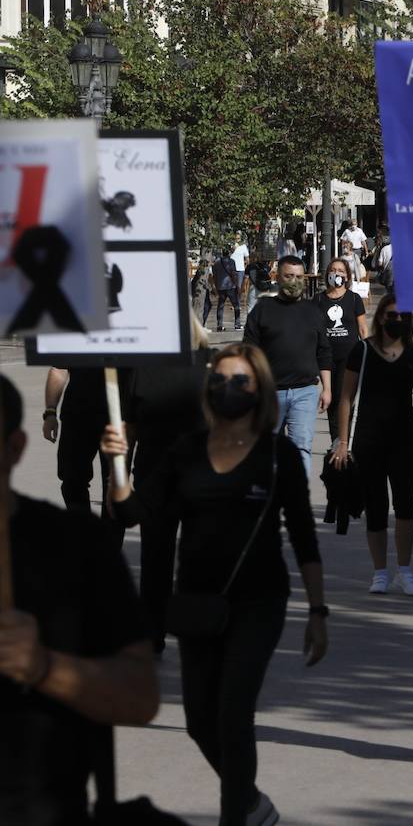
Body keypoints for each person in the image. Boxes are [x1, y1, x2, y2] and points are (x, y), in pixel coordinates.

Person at [103, 343, 328, 826]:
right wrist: (116, 471)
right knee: (198, 721)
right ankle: (249, 803)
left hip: (258, 603)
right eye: (220, 381)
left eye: (241, 381)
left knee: (232, 715)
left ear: (260, 389)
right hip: (196, 603)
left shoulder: (278, 456)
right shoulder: (186, 453)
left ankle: (236, 817)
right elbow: (133, 513)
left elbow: (305, 540)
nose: (229, 390)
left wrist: (317, 611)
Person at [0, 374, 161, 826]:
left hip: (37, 803)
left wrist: (44, 667)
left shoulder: (79, 547)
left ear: (14, 448)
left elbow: (138, 697)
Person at [331, 296, 413, 596]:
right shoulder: (362, 350)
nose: (398, 321)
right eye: (392, 315)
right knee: (376, 505)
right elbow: (346, 398)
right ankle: (380, 572)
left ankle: (404, 571)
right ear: (380, 317)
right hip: (368, 439)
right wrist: (343, 442)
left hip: (404, 438)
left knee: (406, 505)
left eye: (403, 316)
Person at [128, 316, 213, 652]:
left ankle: (179, 628)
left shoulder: (207, 364)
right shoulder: (143, 367)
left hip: (192, 473)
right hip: (157, 476)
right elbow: (130, 426)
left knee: (180, 556)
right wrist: (115, 477)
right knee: (159, 556)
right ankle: (156, 630)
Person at [243, 255, 332, 477]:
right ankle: (271, 501)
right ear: (278, 278)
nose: (295, 281)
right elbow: (249, 352)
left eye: (299, 276)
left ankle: (296, 499)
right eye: (289, 276)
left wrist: (327, 388)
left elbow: (324, 351)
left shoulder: (313, 311)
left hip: (305, 392)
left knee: (301, 447)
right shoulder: (263, 309)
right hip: (270, 393)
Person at [41, 366, 126, 518]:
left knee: (115, 484)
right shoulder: (72, 340)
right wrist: (50, 412)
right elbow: (59, 369)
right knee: (71, 481)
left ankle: (109, 540)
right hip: (77, 416)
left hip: (120, 416)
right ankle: (83, 532)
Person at [314, 257, 369, 442]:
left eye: (340, 271)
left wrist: (369, 351)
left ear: (347, 276)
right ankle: (336, 440)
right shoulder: (318, 299)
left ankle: (347, 438)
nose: (336, 273)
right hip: (326, 358)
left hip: (349, 356)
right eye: (333, 270)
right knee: (330, 399)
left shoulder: (354, 299)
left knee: (344, 398)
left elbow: (362, 328)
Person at [211, 247, 242, 332]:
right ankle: (237, 324)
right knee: (236, 306)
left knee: (220, 306)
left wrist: (216, 287)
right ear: (229, 253)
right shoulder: (231, 262)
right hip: (230, 286)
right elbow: (233, 274)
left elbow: (214, 275)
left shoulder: (216, 262)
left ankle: (219, 325)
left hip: (221, 287)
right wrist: (237, 285)